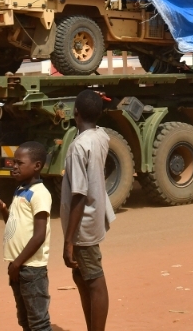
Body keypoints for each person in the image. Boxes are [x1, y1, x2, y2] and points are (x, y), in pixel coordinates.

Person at [61, 90, 116, 331]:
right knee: (83, 277)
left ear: (75, 112)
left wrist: (69, 241)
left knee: (94, 281)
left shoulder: (78, 147)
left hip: (82, 226)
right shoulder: (100, 136)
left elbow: (79, 195)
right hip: (93, 219)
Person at [0, 141, 53, 331]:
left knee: (39, 322)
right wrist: (2, 210)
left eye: (19, 163)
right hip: (18, 266)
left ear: (37, 166)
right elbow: (14, 225)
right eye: (13, 162)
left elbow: (39, 235)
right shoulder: (20, 190)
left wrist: (17, 263)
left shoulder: (40, 194)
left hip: (31, 269)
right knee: (25, 320)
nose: (14, 166)